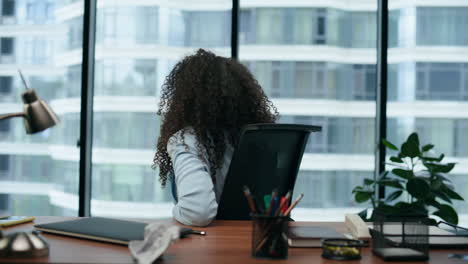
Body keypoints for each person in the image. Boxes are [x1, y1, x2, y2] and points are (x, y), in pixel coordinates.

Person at [153, 49, 278, 226]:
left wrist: (175, 211)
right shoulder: (255, 138)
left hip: (213, 247)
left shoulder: (187, 140)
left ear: (185, 99)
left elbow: (197, 212)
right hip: (262, 241)